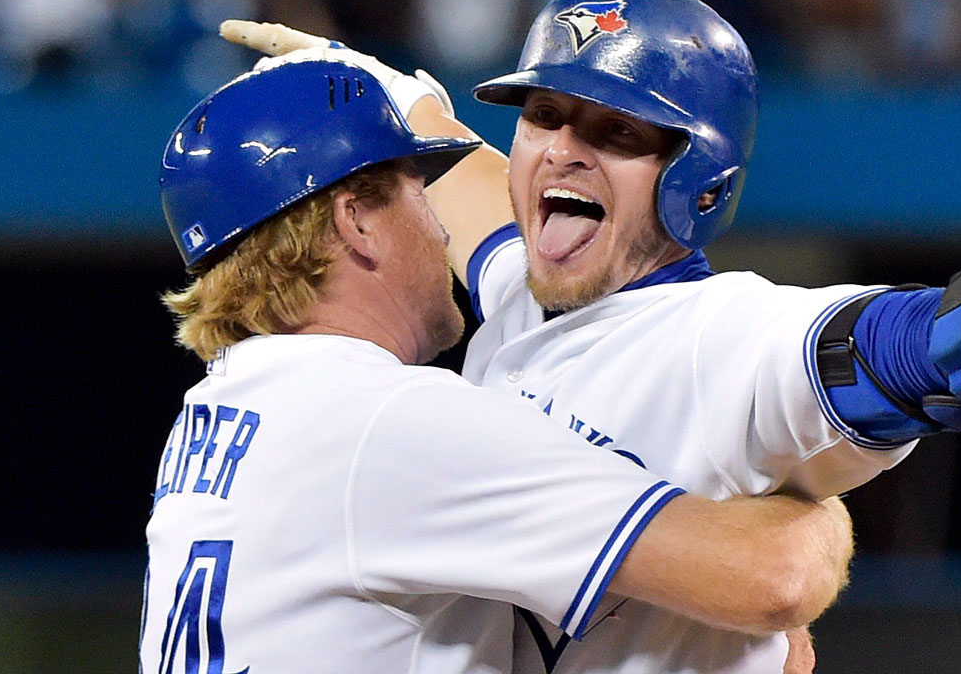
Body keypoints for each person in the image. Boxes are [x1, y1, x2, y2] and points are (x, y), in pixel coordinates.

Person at [220, 0, 961, 674]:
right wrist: (373, 94)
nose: (562, 149)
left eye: (616, 132)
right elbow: (480, 176)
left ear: (700, 180)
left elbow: (929, 352)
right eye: (544, 114)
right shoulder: (522, 290)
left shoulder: (730, 341)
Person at [141, 53, 857, 673]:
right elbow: (775, 581)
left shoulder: (217, 417)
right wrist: (811, 504)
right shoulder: (392, 424)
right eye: (420, 189)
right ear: (355, 220)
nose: (445, 223)